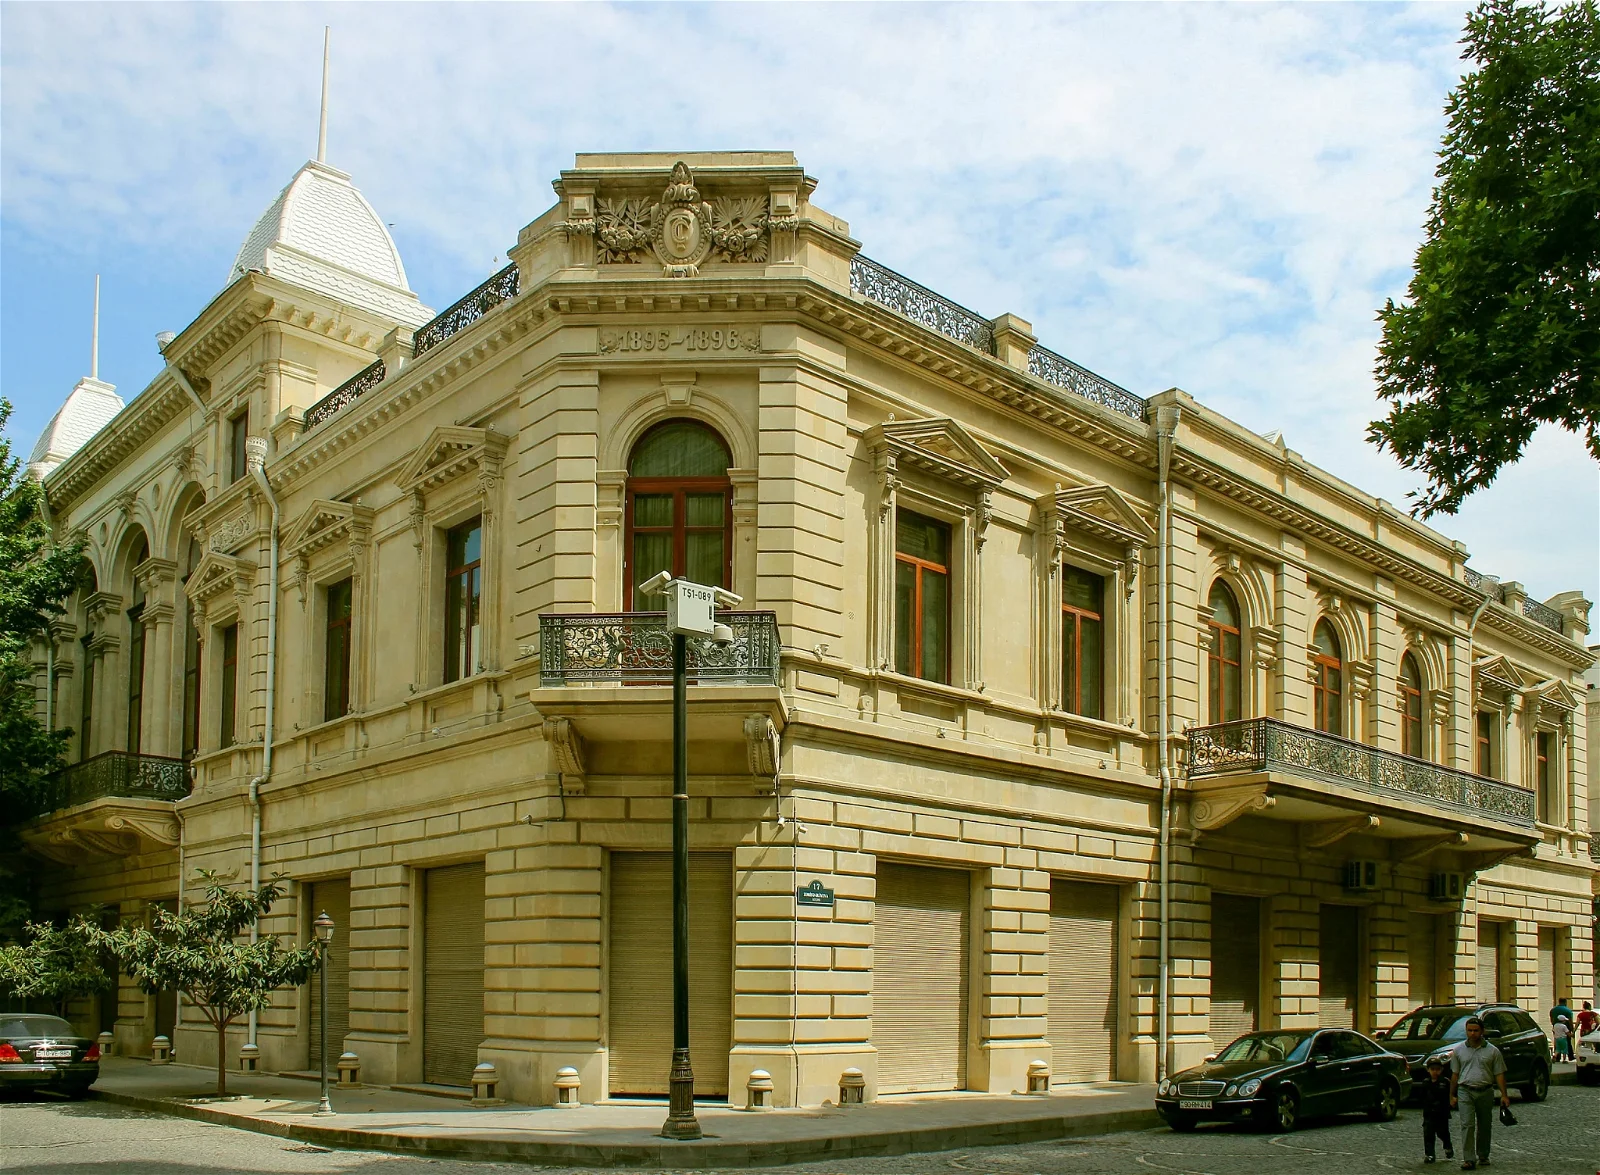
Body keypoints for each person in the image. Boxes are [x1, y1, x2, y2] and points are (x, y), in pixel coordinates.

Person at [1449, 1016, 1509, 1171]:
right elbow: (1455, 1074)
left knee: (1484, 1125)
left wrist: (1504, 1094)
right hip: (1465, 1090)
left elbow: (1499, 1074)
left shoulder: (1492, 1051)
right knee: (1467, 1125)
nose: (1472, 1034)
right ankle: (1468, 1158)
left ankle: (1483, 1154)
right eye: (1469, 1030)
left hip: (1485, 1090)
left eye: (1476, 1030)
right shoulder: (1459, 1051)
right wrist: (1452, 1094)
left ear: (1482, 1031)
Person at [1420, 1057, 1454, 1164]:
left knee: (1443, 1133)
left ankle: (1447, 1146)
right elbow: (1422, 1097)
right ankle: (1429, 1154)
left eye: (1437, 1069)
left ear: (1441, 1070)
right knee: (1428, 1134)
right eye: (1432, 1069)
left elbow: (1450, 1095)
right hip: (1429, 1113)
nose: (1435, 1072)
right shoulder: (1426, 1083)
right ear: (1428, 1070)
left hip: (1441, 1113)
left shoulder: (1445, 1082)